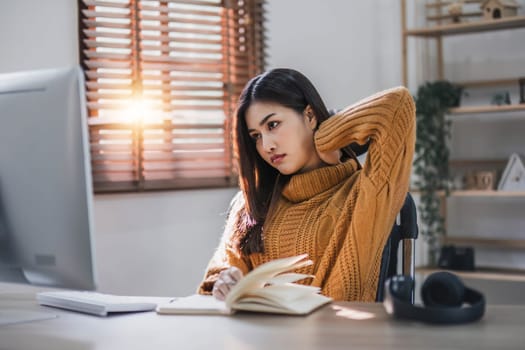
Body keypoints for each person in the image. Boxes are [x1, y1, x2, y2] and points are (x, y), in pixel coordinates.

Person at [197, 68, 415, 302]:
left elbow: (397, 105)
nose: (266, 145)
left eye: (272, 125)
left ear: (310, 116)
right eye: (256, 136)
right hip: (258, 335)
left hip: (338, 334)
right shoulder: (252, 202)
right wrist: (225, 281)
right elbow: (216, 278)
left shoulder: (366, 192)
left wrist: (325, 136)